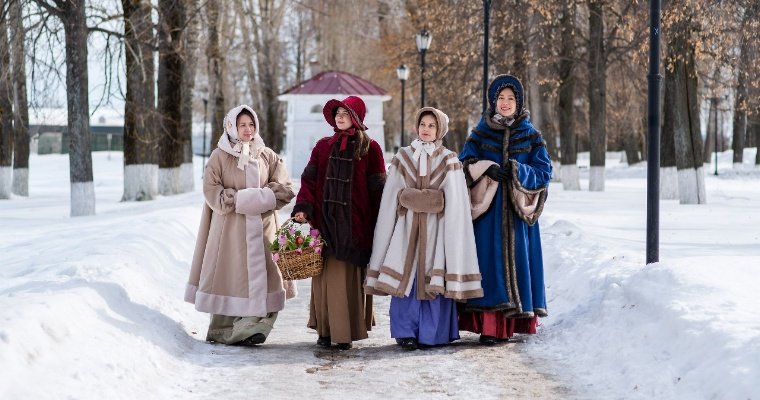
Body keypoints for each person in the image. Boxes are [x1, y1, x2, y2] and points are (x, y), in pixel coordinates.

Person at [365, 107, 483, 350]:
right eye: (423, 124)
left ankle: (433, 333)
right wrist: (418, 199)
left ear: (440, 129)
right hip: (406, 229)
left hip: (437, 231)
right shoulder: (403, 156)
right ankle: (405, 332)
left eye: (431, 125)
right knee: (407, 277)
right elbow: (393, 195)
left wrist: (416, 198)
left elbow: (454, 201)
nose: (426, 129)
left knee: (432, 278)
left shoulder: (449, 159)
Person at [185, 104, 296, 346]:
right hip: (230, 230)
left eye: (251, 124)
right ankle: (226, 330)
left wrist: (265, 197)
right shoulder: (219, 156)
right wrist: (239, 200)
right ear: (231, 127)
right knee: (232, 275)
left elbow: (286, 188)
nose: (248, 129)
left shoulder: (266, 154)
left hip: (264, 228)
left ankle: (255, 327)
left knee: (267, 276)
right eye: (242, 125)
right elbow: (211, 189)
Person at [458, 74, 552, 345]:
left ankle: (512, 324)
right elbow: (463, 165)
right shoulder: (480, 133)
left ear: (519, 102)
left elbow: (544, 172)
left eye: (511, 98)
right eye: (501, 98)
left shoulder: (531, 135)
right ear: (493, 101)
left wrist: (516, 170)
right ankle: (489, 327)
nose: (506, 103)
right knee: (490, 267)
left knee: (517, 264)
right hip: (487, 215)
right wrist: (487, 169)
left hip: (517, 216)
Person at [292, 95, 386, 350]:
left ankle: (345, 332)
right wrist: (303, 208)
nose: (340, 117)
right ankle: (325, 331)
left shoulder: (370, 147)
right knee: (325, 277)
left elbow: (378, 190)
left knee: (347, 277)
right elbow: (309, 180)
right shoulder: (323, 147)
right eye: (337, 113)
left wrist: (380, 225)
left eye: (346, 113)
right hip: (325, 225)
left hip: (355, 227)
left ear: (356, 116)